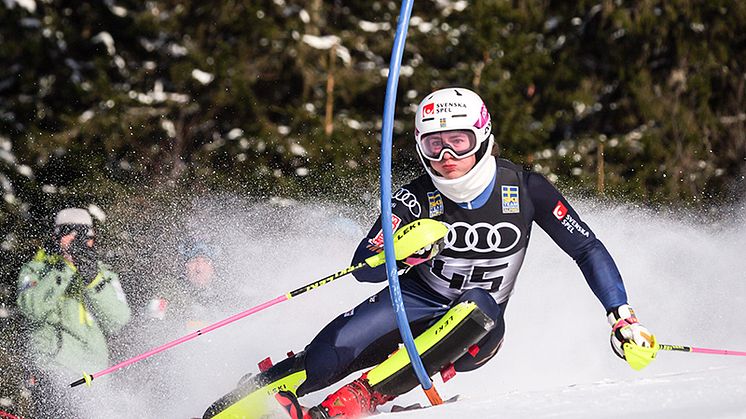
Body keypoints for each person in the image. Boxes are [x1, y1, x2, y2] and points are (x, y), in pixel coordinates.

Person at [232, 88, 656, 419]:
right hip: (415, 303)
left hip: (477, 332)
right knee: (327, 355)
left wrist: (621, 315)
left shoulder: (525, 187)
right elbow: (363, 266)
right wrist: (400, 252)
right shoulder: (415, 197)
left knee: (476, 305)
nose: (448, 156)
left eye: (459, 141)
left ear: (483, 138)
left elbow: (586, 246)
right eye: (435, 145)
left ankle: (357, 398)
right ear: (420, 145)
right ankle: (240, 403)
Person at [16, 207, 131, 416]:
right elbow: (32, 308)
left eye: (83, 233)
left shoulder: (102, 273)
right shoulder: (37, 269)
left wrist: (93, 280)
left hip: (94, 375)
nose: (77, 239)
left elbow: (119, 319)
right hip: (53, 370)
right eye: (70, 232)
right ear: (57, 236)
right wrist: (65, 269)